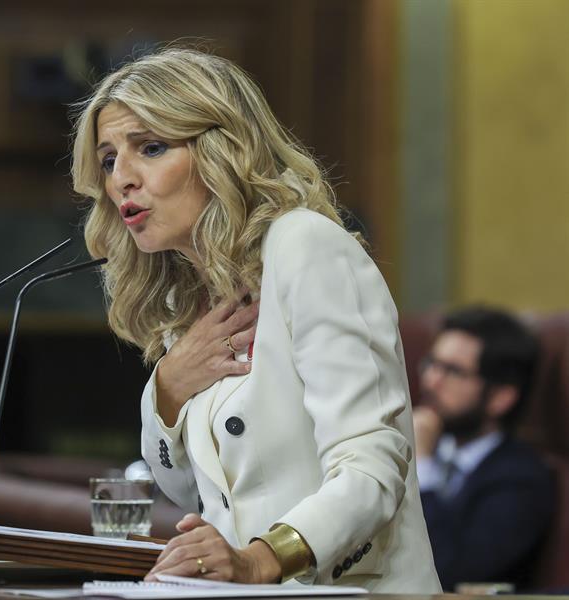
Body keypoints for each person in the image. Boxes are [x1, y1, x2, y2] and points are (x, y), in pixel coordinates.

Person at [70, 47, 440, 592]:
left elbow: (373, 466)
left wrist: (261, 560)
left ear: (221, 149)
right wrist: (168, 388)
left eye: (150, 148)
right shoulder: (192, 297)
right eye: (107, 160)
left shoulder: (305, 245)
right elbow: (186, 491)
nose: (121, 178)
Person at [413, 307, 555, 591]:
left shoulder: (522, 478)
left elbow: (453, 571)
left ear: (501, 397)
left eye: (452, 371)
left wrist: (422, 465)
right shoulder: (420, 447)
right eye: (431, 363)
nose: (430, 381)